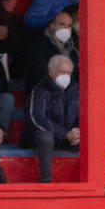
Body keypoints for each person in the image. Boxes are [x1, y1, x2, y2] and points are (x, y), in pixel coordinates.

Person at [28, 55, 79, 183]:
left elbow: (85, 113)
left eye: (69, 73)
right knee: (45, 137)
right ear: (51, 72)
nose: (66, 76)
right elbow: (38, 118)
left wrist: (78, 130)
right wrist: (64, 134)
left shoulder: (76, 89)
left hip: (71, 137)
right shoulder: (40, 89)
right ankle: (46, 180)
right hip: (48, 136)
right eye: (62, 72)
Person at [25, 11, 79, 92]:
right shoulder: (40, 45)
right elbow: (38, 74)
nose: (65, 28)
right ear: (52, 25)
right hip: (46, 92)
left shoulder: (73, 48)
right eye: (62, 24)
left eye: (69, 26)